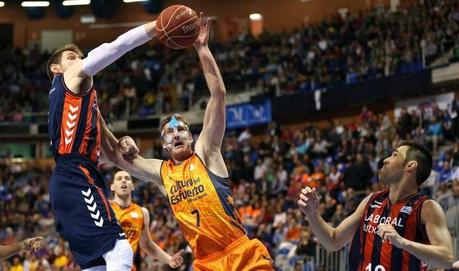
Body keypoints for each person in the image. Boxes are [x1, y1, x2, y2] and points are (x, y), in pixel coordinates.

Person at [100, 16, 277, 271]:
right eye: (169, 133)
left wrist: (202, 50)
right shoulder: (162, 172)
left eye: (182, 129)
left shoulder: (206, 151)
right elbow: (116, 156)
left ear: (191, 136)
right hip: (206, 264)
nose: (177, 134)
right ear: (164, 146)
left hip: (241, 253)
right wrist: (95, 112)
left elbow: (218, 95)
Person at [46, 19, 158, 270]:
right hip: (76, 175)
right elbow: (115, 47)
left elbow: (111, 151)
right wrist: (155, 27)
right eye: (72, 57)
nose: (79, 60)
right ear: (56, 68)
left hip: (72, 176)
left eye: (80, 57)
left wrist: (124, 144)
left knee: (96, 263)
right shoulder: (69, 76)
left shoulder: (75, 100)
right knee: (119, 250)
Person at [298, 141, 454, 270]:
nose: (386, 159)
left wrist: (402, 242)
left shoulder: (426, 207)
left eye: (394, 155)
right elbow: (332, 241)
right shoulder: (372, 201)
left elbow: (446, 258)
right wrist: (312, 214)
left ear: (410, 166)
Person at [109, 170, 184, 270]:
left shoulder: (142, 212)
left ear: (132, 186)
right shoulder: (104, 208)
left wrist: (169, 260)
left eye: (127, 178)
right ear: (112, 187)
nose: (123, 181)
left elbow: (147, 245)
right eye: (119, 179)